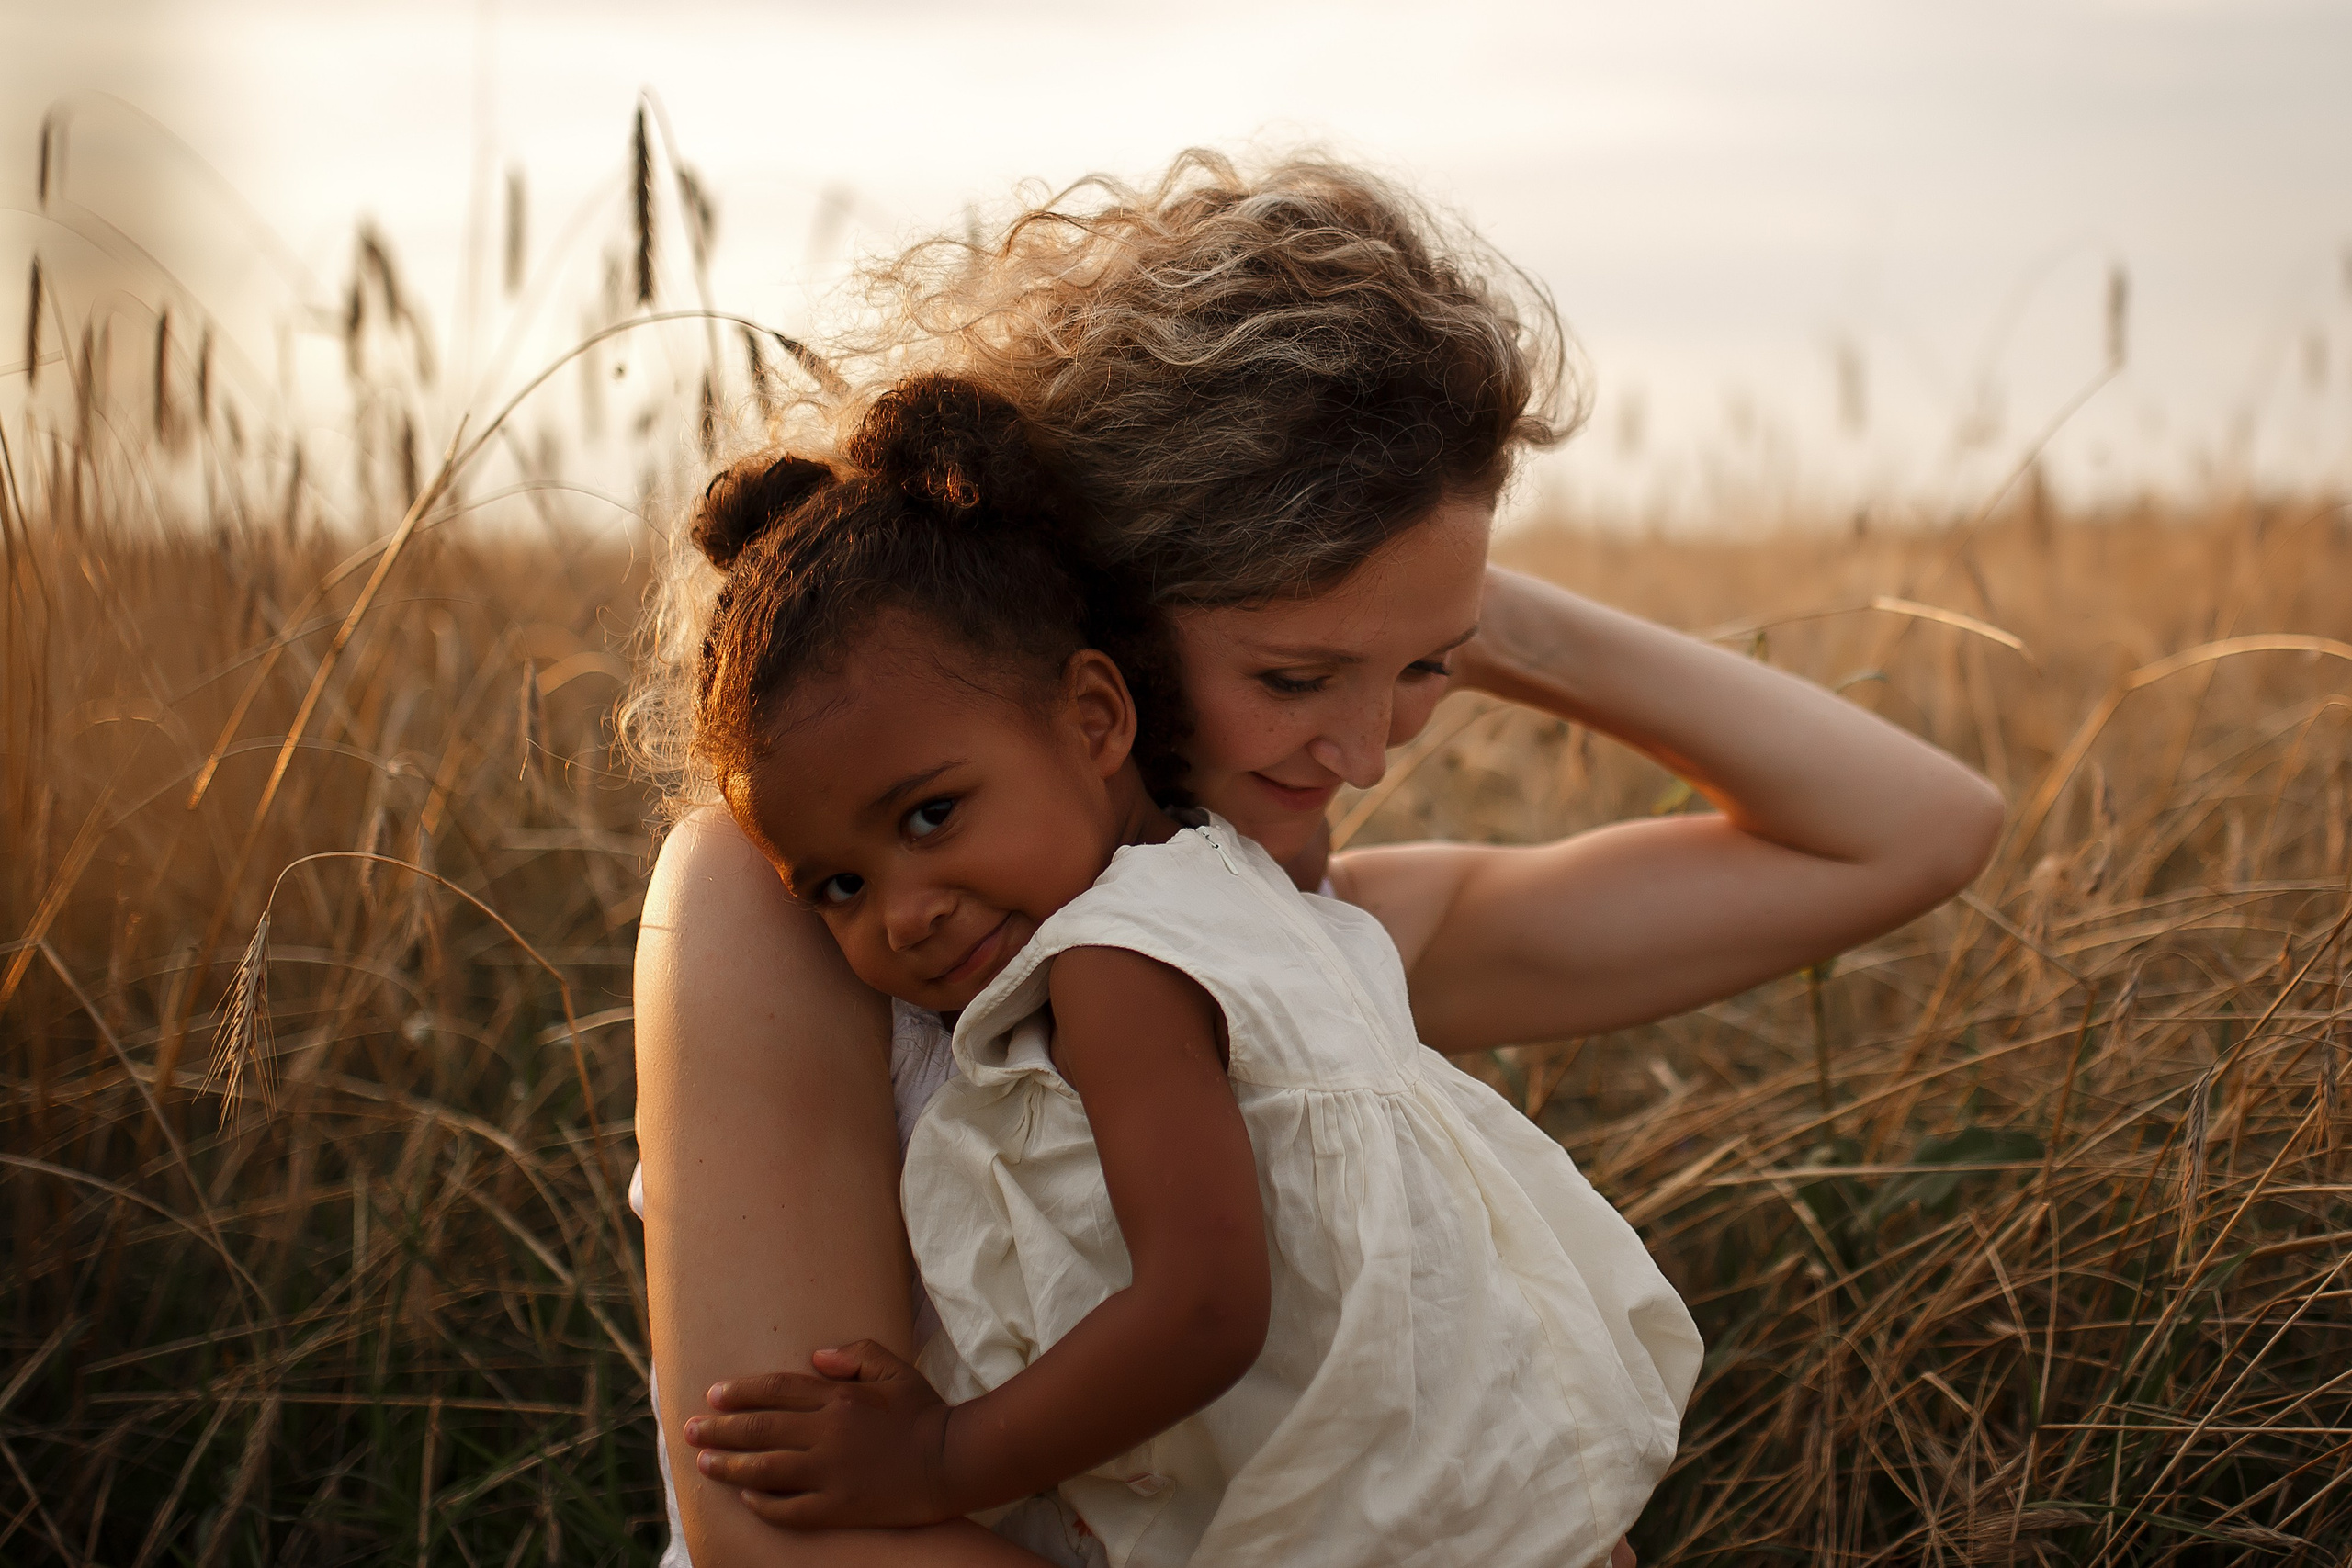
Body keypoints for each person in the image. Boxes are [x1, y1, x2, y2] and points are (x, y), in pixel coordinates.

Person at [627, 152, 2006, 1568]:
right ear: (1101, 645)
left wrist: (1449, 600)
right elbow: (781, 1543)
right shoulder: (772, 907)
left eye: (1419, 673)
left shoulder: (1302, 947)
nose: (1366, 754)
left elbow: (1917, 829)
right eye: (1292, 678)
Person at [667, 373, 1701, 1568]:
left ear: (1097, 719)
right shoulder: (1242, 885)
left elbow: (1204, 1310)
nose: (901, 914)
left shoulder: (1119, 960)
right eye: (836, 886)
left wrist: (941, 1457)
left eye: (933, 815)